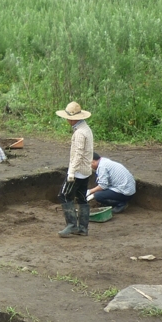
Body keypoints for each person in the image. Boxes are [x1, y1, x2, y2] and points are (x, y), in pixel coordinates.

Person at [56, 101, 93, 237]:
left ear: (72, 119)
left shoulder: (79, 133)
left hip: (77, 172)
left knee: (64, 195)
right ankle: (83, 228)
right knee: (82, 198)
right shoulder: (86, 129)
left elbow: (78, 154)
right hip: (85, 171)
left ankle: (71, 225)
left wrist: (71, 171)